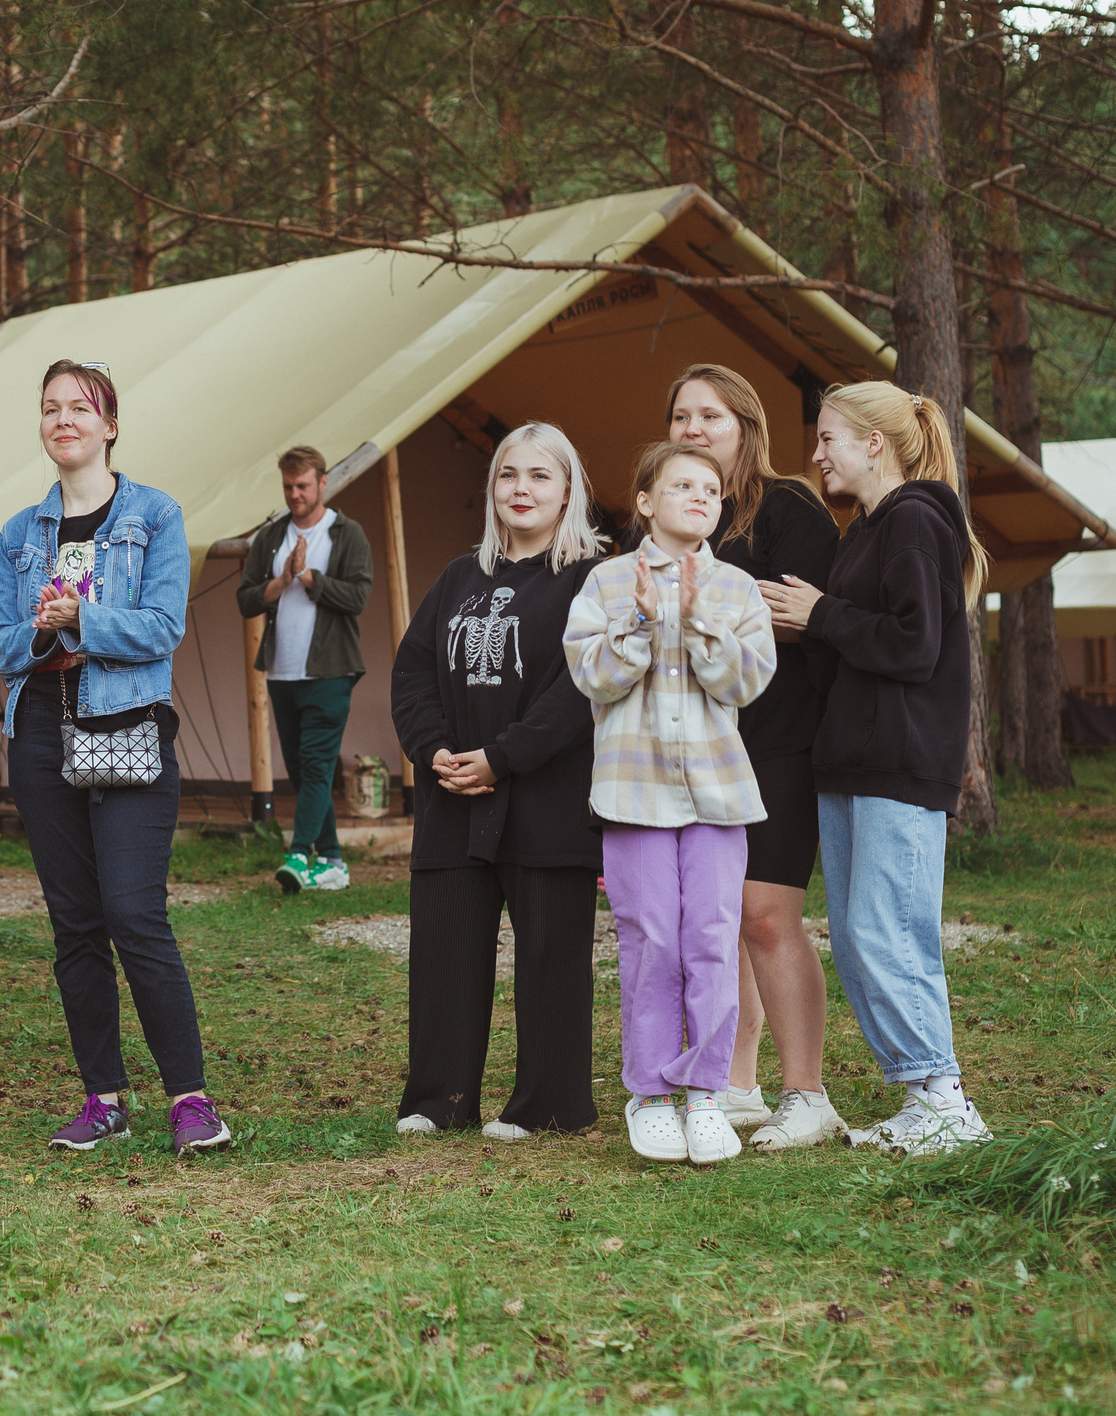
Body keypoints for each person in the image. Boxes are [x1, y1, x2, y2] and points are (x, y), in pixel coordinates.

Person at [0, 360, 233, 1156]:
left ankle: (190, 1099)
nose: (65, 419)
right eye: (51, 407)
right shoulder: (21, 533)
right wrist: (43, 629)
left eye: (80, 408)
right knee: (77, 926)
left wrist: (82, 620)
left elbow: (164, 624)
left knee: (135, 914)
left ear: (109, 423)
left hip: (128, 727)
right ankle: (103, 1099)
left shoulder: (154, 514)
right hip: (39, 739)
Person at [762, 381, 995, 1154]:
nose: (818, 453)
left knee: (888, 928)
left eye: (829, 438)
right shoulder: (863, 531)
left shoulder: (919, 520)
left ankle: (945, 1101)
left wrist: (821, 615)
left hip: (900, 760)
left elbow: (914, 643)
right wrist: (814, 625)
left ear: (875, 443)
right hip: (851, 761)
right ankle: (920, 1096)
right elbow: (860, 645)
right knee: (862, 935)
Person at [388, 423, 608, 1139]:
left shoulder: (591, 577)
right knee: (447, 950)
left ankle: (547, 1104)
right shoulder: (459, 576)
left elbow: (580, 687)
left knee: (550, 956)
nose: (522, 488)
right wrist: (433, 751)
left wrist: (503, 756)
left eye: (540, 476)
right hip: (453, 797)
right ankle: (438, 1099)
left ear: (568, 489)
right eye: (509, 475)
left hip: (546, 797)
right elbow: (413, 669)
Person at [564, 441, 778, 1165]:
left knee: (714, 940)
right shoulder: (605, 581)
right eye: (681, 484)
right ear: (647, 502)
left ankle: (707, 1093)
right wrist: (650, 623)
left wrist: (697, 618)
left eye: (711, 488)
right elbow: (592, 676)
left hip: (720, 797)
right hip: (632, 793)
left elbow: (745, 682)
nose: (699, 495)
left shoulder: (739, 589)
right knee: (652, 939)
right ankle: (652, 1094)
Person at [663, 366, 847, 1151]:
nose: (693, 427)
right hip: (697, 743)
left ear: (747, 425)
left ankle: (808, 1091)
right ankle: (739, 1082)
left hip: (779, 739)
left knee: (768, 918)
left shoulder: (787, 505)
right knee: (720, 916)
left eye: (711, 414)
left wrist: (706, 617)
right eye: (680, 415)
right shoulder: (675, 514)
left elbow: (807, 613)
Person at [235, 445, 374, 894]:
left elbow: (358, 597)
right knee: (300, 769)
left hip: (331, 671)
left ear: (322, 484)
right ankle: (331, 862)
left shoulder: (346, 533)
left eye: (303, 486)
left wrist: (310, 577)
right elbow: (245, 598)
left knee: (315, 766)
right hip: (280, 671)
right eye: (288, 487)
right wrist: (282, 581)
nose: (295, 494)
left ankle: (298, 854)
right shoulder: (272, 534)